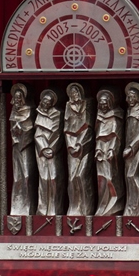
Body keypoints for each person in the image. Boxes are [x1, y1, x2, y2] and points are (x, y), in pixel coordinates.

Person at [64, 83, 95, 216]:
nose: (74, 95)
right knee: (72, 178)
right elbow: (66, 128)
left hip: (85, 144)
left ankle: (86, 208)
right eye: (72, 93)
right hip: (72, 146)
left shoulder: (87, 105)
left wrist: (80, 143)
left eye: (76, 92)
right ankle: (74, 208)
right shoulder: (68, 107)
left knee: (82, 175)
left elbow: (88, 127)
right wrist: (71, 145)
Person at [34, 90, 65, 215]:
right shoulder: (39, 113)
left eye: (48, 102)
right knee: (43, 179)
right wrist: (43, 148)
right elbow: (37, 133)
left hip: (53, 150)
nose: (46, 103)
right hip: (41, 149)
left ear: (52, 103)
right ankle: (42, 209)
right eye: (44, 101)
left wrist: (51, 149)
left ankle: (54, 209)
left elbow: (58, 133)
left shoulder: (57, 114)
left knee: (53, 178)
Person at [95, 89, 125, 216]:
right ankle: (102, 205)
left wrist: (112, 149)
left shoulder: (116, 115)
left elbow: (116, 135)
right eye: (101, 104)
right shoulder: (99, 116)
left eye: (105, 103)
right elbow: (98, 135)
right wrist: (98, 149)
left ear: (110, 103)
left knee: (111, 177)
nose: (103, 106)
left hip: (111, 149)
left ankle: (115, 204)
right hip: (101, 149)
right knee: (101, 178)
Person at [9, 83, 37, 216]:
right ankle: (17, 207)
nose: (17, 100)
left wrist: (22, 130)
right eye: (16, 97)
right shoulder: (14, 110)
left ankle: (28, 207)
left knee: (27, 174)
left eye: (19, 97)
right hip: (16, 145)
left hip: (26, 146)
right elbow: (12, 127)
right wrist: (15, 132)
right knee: (17, 176)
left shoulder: (29, 109)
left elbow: (30, 128)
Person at [123, 82, 139, 217]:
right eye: (128, 97)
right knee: (128, 178)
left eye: (132, 97)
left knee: (133, 176)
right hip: (128, 148)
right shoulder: (129, 110)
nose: (130, 99)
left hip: (137, 148)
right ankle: (130, 208)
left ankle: (137, 209)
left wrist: (132, 147)